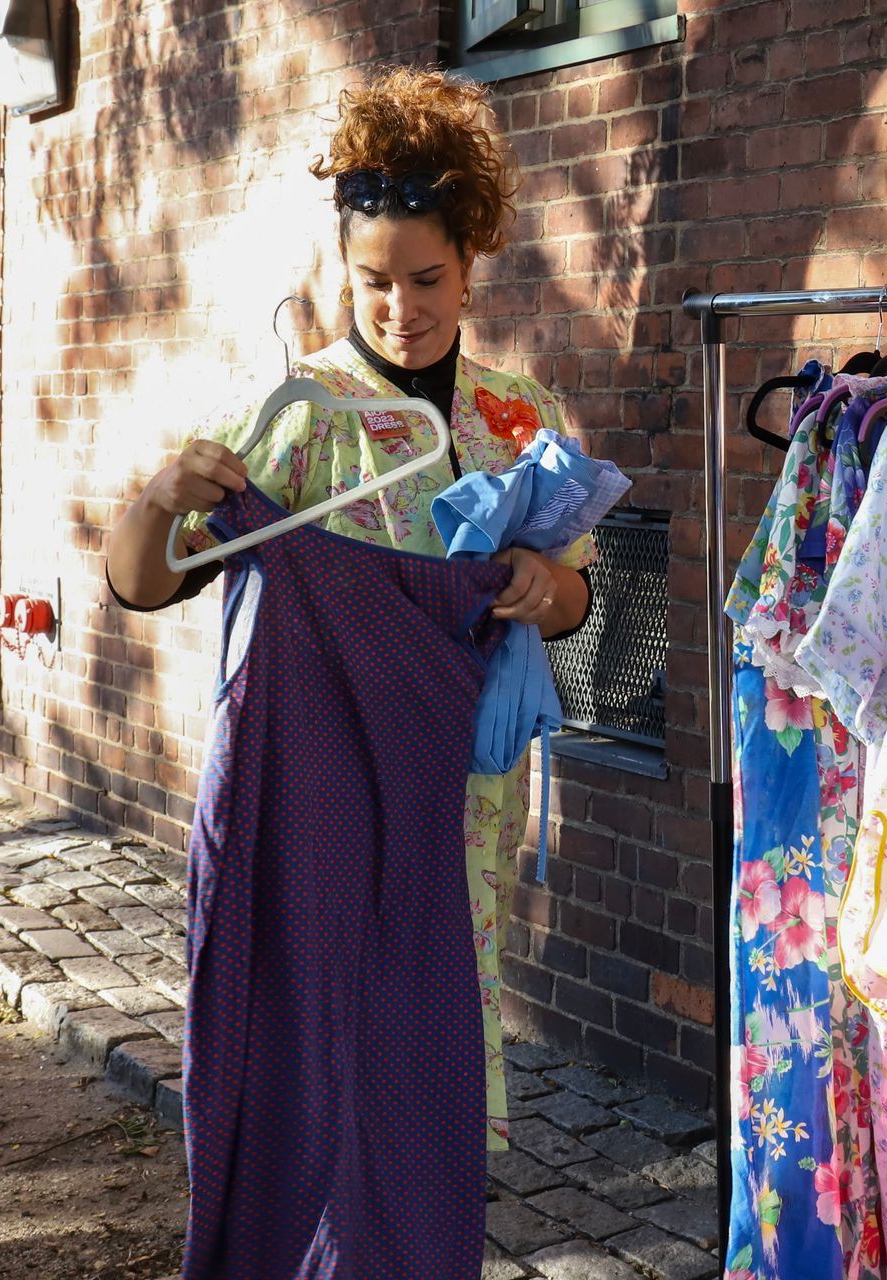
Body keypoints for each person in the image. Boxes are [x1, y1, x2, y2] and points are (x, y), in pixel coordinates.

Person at [104, 66, 595, 1153]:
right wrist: (157, 497)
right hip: (327, 794)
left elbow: (576, 599)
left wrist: (539, 588)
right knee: (330, 1073)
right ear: (343, 268)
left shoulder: (525, 416)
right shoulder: (305, 413)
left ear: (472, 260)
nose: (399, 309)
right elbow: (144, 580)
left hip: (466, 799)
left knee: (440, 1084)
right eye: (372, 280)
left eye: (426, 278)